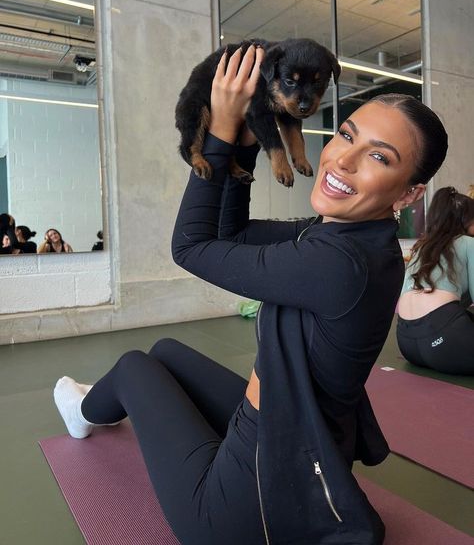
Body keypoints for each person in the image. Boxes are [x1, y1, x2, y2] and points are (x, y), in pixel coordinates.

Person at [53, 46, 448, 545]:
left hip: (245, 507)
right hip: (293, 433)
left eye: (377, 156)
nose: (341, 159)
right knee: (167, 352)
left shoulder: (338, 263)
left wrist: (218, 133)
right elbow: (232, 233)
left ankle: (82, 414)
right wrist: (242, 143)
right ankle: (98, 403)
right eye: (345, 134)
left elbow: (191, 247)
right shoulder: (345, 239)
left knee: (135, 364)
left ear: (409, 192)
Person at [397, 187, 474, 375]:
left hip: (406, 343)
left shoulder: (421, 247)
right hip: (445, 341)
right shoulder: (468, 243)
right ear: (465, 220)